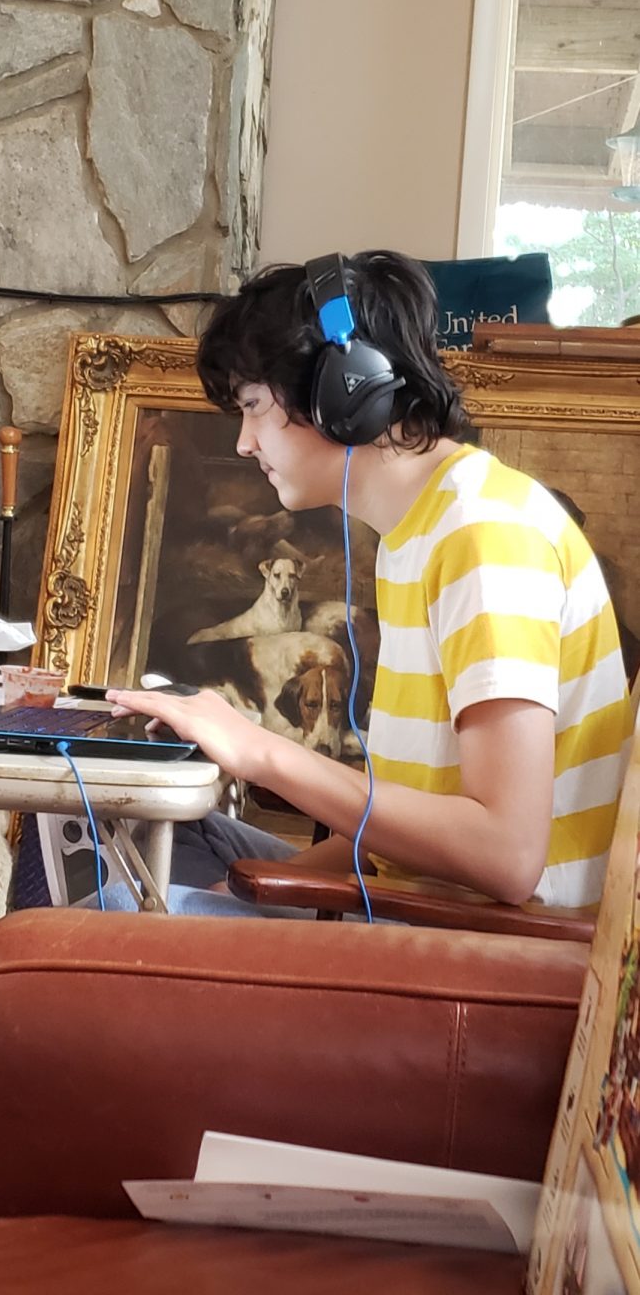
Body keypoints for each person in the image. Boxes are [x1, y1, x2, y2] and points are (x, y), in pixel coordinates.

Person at [107, 249, 633, 916]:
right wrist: (245, 892)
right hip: (411, 900)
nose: (243, 443)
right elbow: (398, 849)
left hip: (485, 943)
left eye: (254, 407)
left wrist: (261, 752)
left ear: (344, 394)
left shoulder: (487, 535)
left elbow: (506, 855)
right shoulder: (417, 534)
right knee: (138, 831)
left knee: (114, 909)